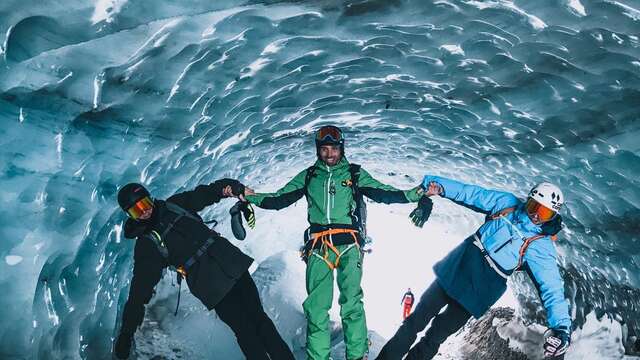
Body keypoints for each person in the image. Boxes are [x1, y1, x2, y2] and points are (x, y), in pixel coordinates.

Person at [243, 125, 428, 360]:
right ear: (318, 150)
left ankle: (357, 356)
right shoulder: (309, 176)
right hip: (319, 248)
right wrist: (249, 196)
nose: (329, 154)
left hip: (349, 245)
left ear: (342, 148)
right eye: (324, 149)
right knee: (316, 309)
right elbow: (279, 199)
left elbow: (383, 192)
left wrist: (415, 194)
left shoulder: (354, 174)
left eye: (334, 149)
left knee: (352, 304)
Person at [376, 178, 572, 360]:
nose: (536, 215)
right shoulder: (508, 204)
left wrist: (562, 328)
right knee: (414, 322)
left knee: (435, 337)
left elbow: (552, 288)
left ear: (553, 215)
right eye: (533, 206)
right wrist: (437, 185)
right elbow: (472, 194)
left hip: (480, 290)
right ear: (528, 200)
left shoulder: (541, 247)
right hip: (457, 268)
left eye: (544, 213)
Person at [113, 180, 295, 360]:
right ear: (130, 215)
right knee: (244, 331)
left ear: (150, 199)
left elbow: (208, 193)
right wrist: (126, 334)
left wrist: (234, 188)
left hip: (231, 263)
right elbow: (139, 291)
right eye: (136, 210)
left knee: (260, 320)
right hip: (210, 285)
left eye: (144, 204)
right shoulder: (147, 245)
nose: (144, 211)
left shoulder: (175, 205)